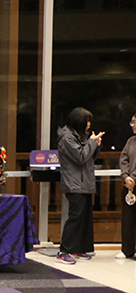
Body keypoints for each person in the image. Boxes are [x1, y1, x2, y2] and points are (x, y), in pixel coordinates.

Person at [56, 107, 103, 264]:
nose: (89, 124)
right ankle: (63, 251)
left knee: (84, 218)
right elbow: (81, 156)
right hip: (74, 183)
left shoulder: (80, 137)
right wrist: (92, 142)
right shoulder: (67, 138)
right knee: (75, 217)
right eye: (87, 121)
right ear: (79, 121)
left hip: (85, 182)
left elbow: (89, 157)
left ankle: (79, 248)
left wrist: (96, 144)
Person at [118, 114, 136, 260]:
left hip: (133, 181)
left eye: (135, 122)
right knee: (128, 219)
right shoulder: (131, 141)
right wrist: (125, 176)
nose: (132, 125)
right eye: (132, 122)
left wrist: (133, 177)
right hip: (129, 185)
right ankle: (127, 250)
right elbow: (123, 159)